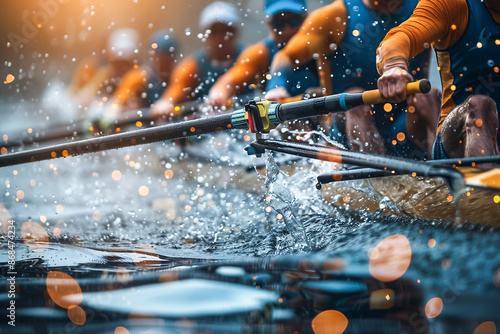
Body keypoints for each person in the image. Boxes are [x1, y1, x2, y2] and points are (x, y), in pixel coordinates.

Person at [266, 0, 441, 159]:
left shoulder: (423, 7)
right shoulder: (334, 15)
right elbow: (287, 57)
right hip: (347, 130)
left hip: (405, 126)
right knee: (355, 97)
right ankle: (371, 178)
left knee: (429, 94)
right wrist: (276, 86)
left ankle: (447, 167)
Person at [376, 0, 500, 160]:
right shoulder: (451, 5)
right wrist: (394, 65)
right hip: (457, 141)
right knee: (479, 104)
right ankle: (484, 182)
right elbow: (404, 35)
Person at [207, 0, 319, 109]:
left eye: (294, 21)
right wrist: (218, 94)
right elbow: (228, 82)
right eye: (278, 23)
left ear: (306, 18)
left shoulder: (323, 45)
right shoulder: (260, 53)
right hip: (283, 123)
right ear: (269, 24)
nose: (287, 30)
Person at [151, 2, 243, 120]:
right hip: (208, 132)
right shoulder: (192, 65)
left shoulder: (249, 56)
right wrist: (166, 102)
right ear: (205, 34)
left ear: (236, 32)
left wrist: (222, 90)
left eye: (226, 29)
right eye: (214, 31)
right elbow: (176, 90)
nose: (221, 36)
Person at [110, 30, 178, 112]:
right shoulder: (138, 77)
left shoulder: (178, 75)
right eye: (159, 57)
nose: (162, 62)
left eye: (166, 58)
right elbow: (116, 105)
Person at [74, 28, 139, 112]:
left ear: (132, 61)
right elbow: (80, 101)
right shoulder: (104, 74)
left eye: (124, 63)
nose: (120, 67)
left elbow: (116, 106)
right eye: (116, 62)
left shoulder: (138, 76)